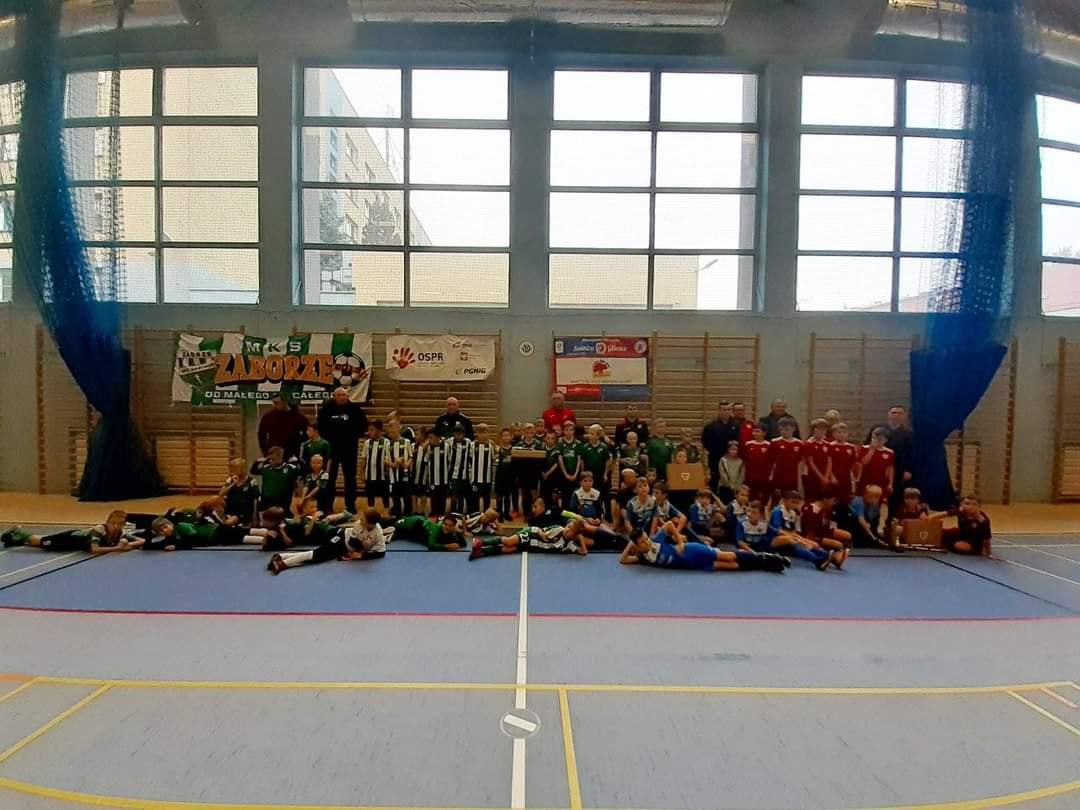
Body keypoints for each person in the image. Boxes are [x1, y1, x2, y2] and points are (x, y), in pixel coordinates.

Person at [620, 521, 788, 573]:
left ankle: (766, 557)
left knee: (729, 556)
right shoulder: (643, 558)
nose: (647, 542)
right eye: (642, 542)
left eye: (646, 538)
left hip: (691, 550)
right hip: (693, 565)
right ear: (637, 545)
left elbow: (669, 524)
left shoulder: (657, 540)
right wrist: (631, 543)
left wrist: (679, 542)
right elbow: (624, 560)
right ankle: (764, 565)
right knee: (731, 566)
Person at [268, 508, 386, 574]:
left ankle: (282, 556)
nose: (360, 520)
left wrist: (362, 555)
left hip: (345, 546)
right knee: (318, 554)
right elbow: (352, 543)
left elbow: (381, 553)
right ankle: (283, 563)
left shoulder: (378, 534)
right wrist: (359, 551)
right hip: (342, 539)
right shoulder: (358, 525)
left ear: (371, 523)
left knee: (317, 556)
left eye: (363, 519)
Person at [318, 387, 368, 514]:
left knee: (350, 478)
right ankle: (327, 505)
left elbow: (363, 426)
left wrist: (352, 436)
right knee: (330, 477)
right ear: (334, 396)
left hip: (349, 448)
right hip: (332, 449)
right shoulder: (326, 409)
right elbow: (321, 427)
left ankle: (350, 505)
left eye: (344, 395)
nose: (342, 397)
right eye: (339, 395)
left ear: (348, 396)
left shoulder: (355, 410)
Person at [3, 510, 142, 554]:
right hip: (68, 539)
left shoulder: (120, 533)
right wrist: (118, 548)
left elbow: (141, 540)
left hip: (73, 546)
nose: (116, 527)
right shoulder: (100, 529)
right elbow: (94, 549)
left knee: (39, 545)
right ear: (107, 522)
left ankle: (16, 540)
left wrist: (129, 545)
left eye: (119, 524)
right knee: (39, 542)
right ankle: (18, 532)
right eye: (113, 524)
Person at [867, 406, 915, 496]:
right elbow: (867, 446)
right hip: (877, 466)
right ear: (888, 414)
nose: (896, 415)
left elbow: (911, 453)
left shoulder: (909, 433)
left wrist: (908, 470)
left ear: (904, 416)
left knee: (895, 494)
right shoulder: (877, 429)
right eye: (894, 412)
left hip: (899, 468)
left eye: (900, 413)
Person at [801, 488, 852, 568]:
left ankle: (837, 553)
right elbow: (810, 534)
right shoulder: (811, 510)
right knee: (838, 544)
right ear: (825, 499)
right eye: (832, 500)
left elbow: (826, 525)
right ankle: (835, 558)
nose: (834, 503)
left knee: (847, 535)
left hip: (821, 531)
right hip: (812, 536)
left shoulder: (825, 509)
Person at [146, 513, 246, 551]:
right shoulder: (171, 537)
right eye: (161, 531)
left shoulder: (180, 526)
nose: (164, 531)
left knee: (243, 535)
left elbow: (195, 539)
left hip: (217, 532)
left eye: (165, 527)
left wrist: (177, 546)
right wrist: (144, 544)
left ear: (170, 524)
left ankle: (256, 537)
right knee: (241, 536)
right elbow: (160, 544)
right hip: (215, 537)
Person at [701, 401, 740, 490]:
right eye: (724, 410)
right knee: (715, 480)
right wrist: (714, 450)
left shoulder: (736, 425)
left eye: (728, 410)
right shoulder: (710, 426)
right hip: (715, 458)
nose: (726, 412)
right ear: (719, 411)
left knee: (730, 480)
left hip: (731, 458)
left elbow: (738, 441)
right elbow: (705, 441)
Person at [251, 447, 302, 515]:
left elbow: (304, 472)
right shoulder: (266, 468)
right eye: (269, 459)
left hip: (282, 502)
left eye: (273, 459)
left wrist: (298, 461)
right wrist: (257, 462)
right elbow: (253, 471)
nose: (270, 461)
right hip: (266, 501)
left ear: (280, 457)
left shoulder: (290, 468)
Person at [258, 394, 308, 459]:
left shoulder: (297, 416)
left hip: (292, 453)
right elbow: (261, 434)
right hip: (274, 453)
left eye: (277, 403)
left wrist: (297, 443)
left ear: (284, 402)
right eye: (273, 403)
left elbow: (307, 432)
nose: (274, 405)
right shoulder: (268, 417)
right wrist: (265, 451)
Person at [769, 417, 804, 503]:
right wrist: (771, 477)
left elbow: (800, 464)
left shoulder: (799, 444)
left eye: (786, 429)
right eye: (781, 430)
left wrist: (799, 482)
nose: (783, 432)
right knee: (777, 501)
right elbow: (771, 462)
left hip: (792, 478)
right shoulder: (774, 442)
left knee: (792, 501)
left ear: (793, 429)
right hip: (779, 478)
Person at [360, 420, 392, 511]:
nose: (369, 432)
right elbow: (363, 459)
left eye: (371, 430)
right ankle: (371, 513)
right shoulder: (367, 443)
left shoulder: (386, 442)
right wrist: (362, 473)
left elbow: (388, 459)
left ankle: (386, 512)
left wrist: (388, 472)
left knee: (385, 497)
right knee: (370, 497)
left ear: (378, 430)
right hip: (370, 476)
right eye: (368, 430)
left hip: (382, 476)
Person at [386, 418, 415, 518]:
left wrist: (406, 464)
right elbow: (385, 459)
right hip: (393, 475)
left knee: (407, 494)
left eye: (393, 430)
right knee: (395, 495)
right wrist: (393, 464)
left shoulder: (406, 442)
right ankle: (397, 512)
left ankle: (408, 513)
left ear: (398, 429)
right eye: (389, 431)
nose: (391, 433)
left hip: (405, 474)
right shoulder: (388, 444)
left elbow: (411, 456)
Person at [393, 513, 466, 551]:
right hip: (414, 524)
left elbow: (463, 543)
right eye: (445, 524)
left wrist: (458, 533)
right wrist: (447, 547)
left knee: (402, 535)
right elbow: (431, 545)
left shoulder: (450, 533)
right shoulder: (436, 528)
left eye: (450, 526)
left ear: (454, 527)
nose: (447, 527)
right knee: (394, 526)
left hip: (416, 533)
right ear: (442, 523)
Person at [858, 427, 896, 500]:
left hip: (881, 481)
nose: (876, 441)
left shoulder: (889, 452)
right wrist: (872, 450)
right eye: (874, 438)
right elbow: (864, 462)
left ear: (885, 440)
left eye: (879, 439)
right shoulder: (864, 448)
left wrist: (890, 483)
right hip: (866, 480)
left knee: (879, 500)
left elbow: (890, 468)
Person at [220, 458, 259, 526]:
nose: (232, 471)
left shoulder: (251, 481)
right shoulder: (230, 479)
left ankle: (226, 525)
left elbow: (255, 500)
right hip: (230, 508)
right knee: (214, 499)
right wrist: (233, 484)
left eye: (234, 469)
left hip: (242, 512)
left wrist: (254, 516)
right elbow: (220, 493)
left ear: (242, 469)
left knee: (229, 522)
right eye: (231, 469)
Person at [827, 422, 859, 504]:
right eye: (839, 432)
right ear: (833, 434)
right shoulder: (831, 446)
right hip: (835, 476)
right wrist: (831, 476)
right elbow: (828, 463)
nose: (842, 434)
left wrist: (852, 477)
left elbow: (853, 463)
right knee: (834, 499)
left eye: (844, 432)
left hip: (846, 477)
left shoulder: (851, 447)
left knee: (846, 498)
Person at [580, 424, 613, 502]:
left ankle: (605, 509)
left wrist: (605, 474)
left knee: (603, 494)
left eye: (592, 434)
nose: (589, 435)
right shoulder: (585, 447)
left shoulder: (604, 447)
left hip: (600, 474)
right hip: (590, 474)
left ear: (598, 436)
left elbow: (607, 461)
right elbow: (582, 461)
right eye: (589, 433)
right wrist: (582, 472)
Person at [446, 425, 474, 513]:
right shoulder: (449, 442)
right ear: (454, 434)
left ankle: (460, 512)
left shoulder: (468, 442)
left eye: (460, 434)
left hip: (464, 474)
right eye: (456, 434)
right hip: (453, 475)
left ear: (464, 434)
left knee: (462, 495)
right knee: (454, 495)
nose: (458, 436)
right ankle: (452, 512)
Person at [803, 418, 833, 501]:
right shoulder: (808, 444)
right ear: (813, 430)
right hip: (812, 477)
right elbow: (810, 462)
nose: (821, 431)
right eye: (819, 429)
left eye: (824, 429)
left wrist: (826, 476)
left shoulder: (828, 445)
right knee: (812, 499)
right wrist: (821, 477)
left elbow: (829, 461)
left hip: (825, 477)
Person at [469, 423, 497, 513]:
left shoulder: (491, 446)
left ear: (488, 433)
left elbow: (494, 460)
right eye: (480, 432)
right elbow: (469, 460)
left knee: (486, 499)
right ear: (477, 433)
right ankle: (475, 514)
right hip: (475, 478)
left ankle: (486, 514)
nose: (482, 435)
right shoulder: (472, 445)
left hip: (487, 478)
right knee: (474, 498)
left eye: (484, 432)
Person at [556, 421, 584, 507]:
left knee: (575, 494)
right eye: (566, 430)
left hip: (575, 473)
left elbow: (579, 460)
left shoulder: (578, 443)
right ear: (563, 431)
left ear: (574, 431)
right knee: (565, 495)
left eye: (571, 430)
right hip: (564, 474)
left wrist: (576, 474)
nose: (569, 432)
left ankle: (574, 511)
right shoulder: (560, 443)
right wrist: (566, 474)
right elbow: (560, 459)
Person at [743, 424, 773, 505]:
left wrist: (770, 476)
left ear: (764, 433)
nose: (755, 433)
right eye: (753, 431)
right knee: (750, 498)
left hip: (763, 478)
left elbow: (772, 462)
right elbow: (745, 461)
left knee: (762, 499)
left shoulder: (769, 445)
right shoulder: (748, 444)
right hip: (750, 477)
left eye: (757, 431)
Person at [494, 428, 516, 520]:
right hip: (500, 476)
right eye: (503, 436)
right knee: (499, 496)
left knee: (507, 496)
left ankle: (507, 513)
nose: (505, 437)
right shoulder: (498, 449)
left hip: (510, 476)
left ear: (511, 437)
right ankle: (499, 514)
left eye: (507, 435)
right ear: (500, 438)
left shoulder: (514, 449)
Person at [716, 440, 745, 504]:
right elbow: (722, 474)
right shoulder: (723, 460)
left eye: (736, 450)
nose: (734, 451)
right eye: (732, 449)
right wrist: (729, 485)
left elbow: (741, 475)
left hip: (736, 488)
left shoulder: (740, 462)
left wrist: (737, 486)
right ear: (728, 449)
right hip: (725, 487)